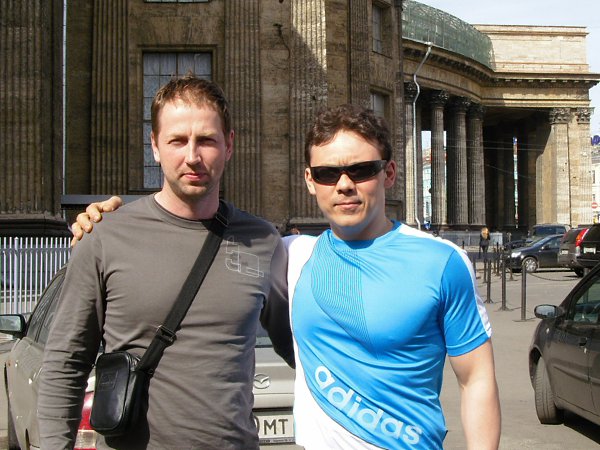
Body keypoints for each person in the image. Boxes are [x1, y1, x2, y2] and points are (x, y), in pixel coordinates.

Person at [74, 105, 501, 449]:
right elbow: (184, 249)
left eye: (361, 170)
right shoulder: (289, 254)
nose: (344, 185)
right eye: (328, 173)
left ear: (388, 173)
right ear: (310, 181)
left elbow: (476, 379)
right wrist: (107, 221)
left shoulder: (442, 261)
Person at [38, 76, 294, 450]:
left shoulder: (263, 241)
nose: (192, 156)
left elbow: (301, 349)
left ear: (229, 145)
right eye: (177, 141)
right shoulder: (105, 237)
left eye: (206, 140)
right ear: (155, 146)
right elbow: (66, 363)